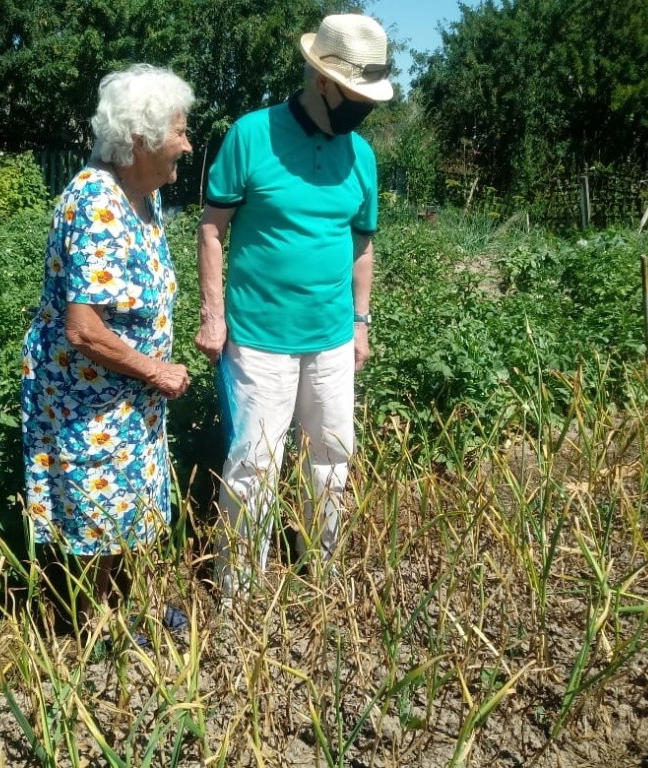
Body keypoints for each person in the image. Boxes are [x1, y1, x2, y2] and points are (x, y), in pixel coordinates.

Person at [194, 14, 393, 601]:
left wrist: (360, 322)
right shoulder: (250, 136)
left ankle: (322, 573)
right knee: (253, 465)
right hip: (256, 338)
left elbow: (362, 245)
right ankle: (241, 593)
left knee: (332, 459)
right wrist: (213, 316)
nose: (364, 108)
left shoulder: (362, 156)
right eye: (356, 94)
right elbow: (211, 229)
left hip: (331, 337)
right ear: (322, 78)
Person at [21, 63, 193, 634]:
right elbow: (85, 328)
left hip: (126, 395)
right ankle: (101, 627)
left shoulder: (142, 197)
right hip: (89, 396)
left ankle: (126, 611)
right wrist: (156, 370)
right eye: (180, 131)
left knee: (125, 504)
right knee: (97, 510)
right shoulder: (97, 202)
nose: (186, 146)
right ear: (141, 139)